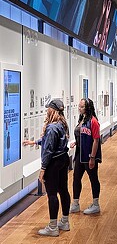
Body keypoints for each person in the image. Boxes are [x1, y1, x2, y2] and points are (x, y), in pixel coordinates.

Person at [23, 99, 70, 237]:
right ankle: (65, 222)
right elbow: (50, 141)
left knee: (52, 194)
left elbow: (48, 149)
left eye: (48, 108)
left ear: (52, 110)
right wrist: (35, 141)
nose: (46, 111)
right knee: (63, 190)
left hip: (53, 163)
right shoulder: (62, 124)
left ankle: (53, 227)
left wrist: (43, 169)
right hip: (63, 159)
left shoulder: (51, 127)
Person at [70, 98, 101, 215]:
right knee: (76, 178)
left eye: (82, 107)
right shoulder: (81, 120)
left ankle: (96, 204)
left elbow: (96, 140)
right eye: (79, 106)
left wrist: (92, 157)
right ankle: (75, 203)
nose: (79, 108)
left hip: (89, 156)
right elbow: (82, 136)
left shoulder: (93, 121)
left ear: (88, 108)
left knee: (93, 179)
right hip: (79, 155)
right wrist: (76, 142)